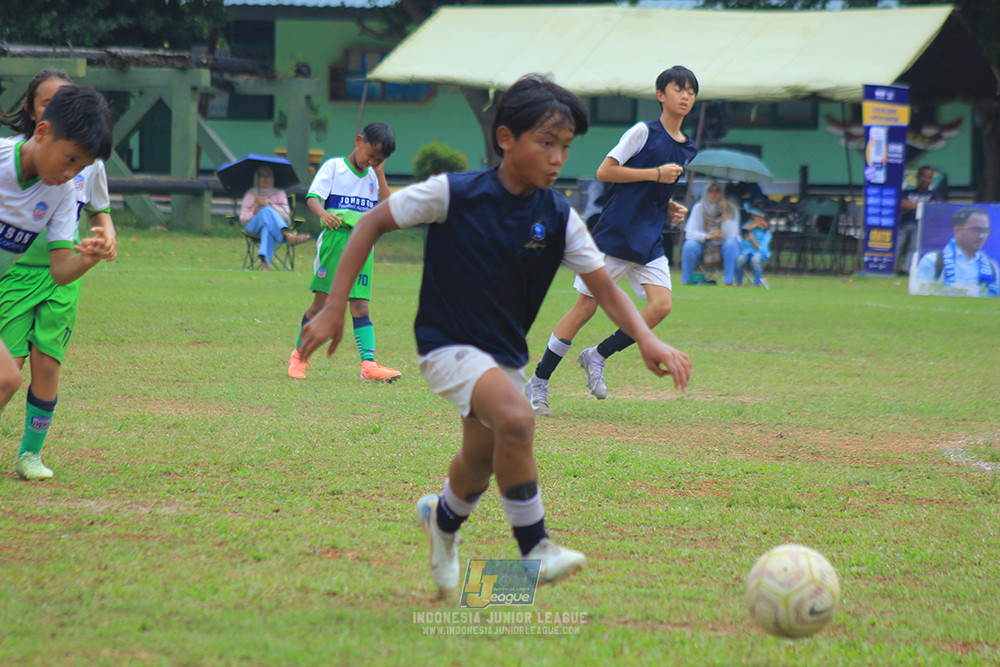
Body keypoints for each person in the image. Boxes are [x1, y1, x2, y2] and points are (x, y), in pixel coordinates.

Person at [296, 74, 692, 598]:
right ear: (506, 138)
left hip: (502, 356)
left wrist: (647, 337)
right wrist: (334, 308)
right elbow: (372, 224)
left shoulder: (559, 217)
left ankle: (441, 523)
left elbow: (605, 287)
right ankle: (536, 547)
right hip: (445, 344)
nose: (557, 158)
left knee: (479, 463)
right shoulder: (455, 192)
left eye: (565, 147)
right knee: (516, 416)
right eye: (546, 143)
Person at [526, 66, 698, 415]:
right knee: (585, 308)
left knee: (661, 306)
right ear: (660, 95)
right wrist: (656, 174)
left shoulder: (688, 147)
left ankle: (597, 355)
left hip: (649, 240)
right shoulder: (642, 132)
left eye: (691, 91)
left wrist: (668, 206)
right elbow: (606, 172)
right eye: (678, 89)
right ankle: (539, 380)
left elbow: (651, 190)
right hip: (615, 234)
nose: (685, 96)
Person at [0, 83, 114, 480]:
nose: (70, 173)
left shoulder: (63, 192)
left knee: (7, 379)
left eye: (80, 167)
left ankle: (29, 453)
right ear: (42, 130)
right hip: (10, 288)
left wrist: (89, 257)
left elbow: (60, 269)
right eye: (68, 160)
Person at [287, 121, 401, 382]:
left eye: (378, 160)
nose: (371, 162)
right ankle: (299, 356)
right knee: (322, 304)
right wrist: (324, 214)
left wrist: (380, 173)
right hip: (336, 241)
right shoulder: (334, 167)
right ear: (358, 140)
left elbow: (387, 206)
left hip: (364, 243)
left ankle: (368, 365)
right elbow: (313, 196)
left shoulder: (374, 175)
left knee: (360, 305)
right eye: (370, 155)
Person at [913, 206, 998, 298]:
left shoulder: (991, 266)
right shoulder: (933, 260)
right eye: (976, 230)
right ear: (957, 231)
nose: (981, 236)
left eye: (985, 231)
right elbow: (920, 293)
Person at [240, 166, 310, 270]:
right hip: (253, 227)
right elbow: (243, 219)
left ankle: (264, 263)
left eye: (268, 176)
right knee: (265, 211)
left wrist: (268, 205)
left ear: (273, 178)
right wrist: (255, 211)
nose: (265, 179)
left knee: (267, 227)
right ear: (257, 179)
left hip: (271, 227)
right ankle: (287, 235)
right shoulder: (251, 194)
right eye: (262, 176)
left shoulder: (279, 193)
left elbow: (287, 217)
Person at [680, 180, 740, 286]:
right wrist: (709, 236)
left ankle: (729, 280)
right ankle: (686, 280)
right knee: (689, 245)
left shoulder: (732, 208)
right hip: (705, 244)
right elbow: (690, 233)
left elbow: (731, 234)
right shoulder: (699, 207)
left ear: (722, 193)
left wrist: (725, 212)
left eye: (717, 191)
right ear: (706, 193)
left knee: (731, 243)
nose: (714, 194)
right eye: (711, 191)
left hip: (724, 245)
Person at [896, 166, 943, 276]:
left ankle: (905, 269)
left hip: (921, 225)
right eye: (923, 176)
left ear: (931, 179)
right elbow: (902, 205)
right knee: (897, 246)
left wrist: (911, 206)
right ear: (918, 177)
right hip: (904, 223)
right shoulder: (907, 192)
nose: (925, 180)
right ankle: (889, 268)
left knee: (913, 246)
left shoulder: (934, 194)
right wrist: (923, 206)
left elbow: (934, 208)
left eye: (929, 177)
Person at [735, 204, 772, 287]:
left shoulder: (766, 231)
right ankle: (738, 283)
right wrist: (755, 225)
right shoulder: (747, 226)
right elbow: (744, 230)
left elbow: (760, 248)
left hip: (759, 253)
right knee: (740, 260)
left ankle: (757, 284)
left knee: (755, 260)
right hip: (746, 252)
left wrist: (752, 240)